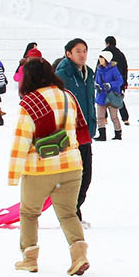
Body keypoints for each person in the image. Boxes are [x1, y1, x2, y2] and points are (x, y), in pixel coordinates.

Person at [8, 57, 90, 277]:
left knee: (29, 213)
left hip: (40, 168)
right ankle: (79, 256)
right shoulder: (68, 96)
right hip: (72, 165)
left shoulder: (29, 102)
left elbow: (21, 140)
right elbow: (80, 130)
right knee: (68, 214)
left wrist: (14, 174)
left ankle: (29, 259)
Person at [54, 39, 97, 222]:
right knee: (73, 179)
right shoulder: (62, 75)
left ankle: (73, 211)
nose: (82, 54)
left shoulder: (88, 74)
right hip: (69, 134)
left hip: (86, 133)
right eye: (78, 51)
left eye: (85, 50)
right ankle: (71, 215)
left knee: (85, 177)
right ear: (68, 54)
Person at [94, 49, 124, 141]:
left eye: (101, 58)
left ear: (106, 59)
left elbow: (120, 81)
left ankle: (118, 133)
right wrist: (96, 85)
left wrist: (110, 85)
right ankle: (102, 134)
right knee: (100, 116)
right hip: (101, 95)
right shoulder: (99, 69)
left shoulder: (114, 69)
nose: (99, 60)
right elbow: (96, 80)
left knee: (114, 117)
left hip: (111, 95)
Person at [104, 35, 131, 125]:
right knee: (118, 99)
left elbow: (100, 66)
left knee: (103, 98)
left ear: (107, 43)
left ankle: (105, 118)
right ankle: (125, 118)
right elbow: (125, 68)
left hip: (106, 80)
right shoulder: (121, 54)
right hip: (119, 81)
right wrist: (124, 81)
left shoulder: (104, 53)